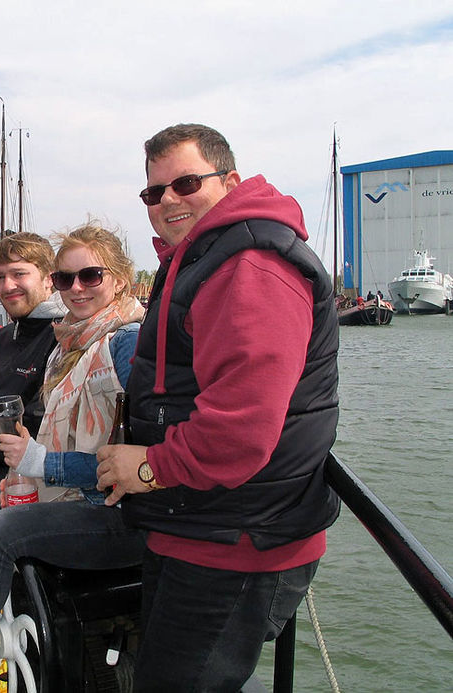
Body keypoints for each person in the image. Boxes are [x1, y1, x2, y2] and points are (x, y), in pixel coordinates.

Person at [95, 123, 340, 691]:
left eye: (184, 183)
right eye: (153, 193)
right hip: (199, 523)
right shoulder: (203, 258)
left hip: (237, 541)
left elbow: (242, 432)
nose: (167, 201)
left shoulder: (248, 266)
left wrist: (151, 466)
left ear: (229, 181)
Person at [0, 224, 146, 693]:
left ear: (118, 279)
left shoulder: (127, 343)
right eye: (65, 279)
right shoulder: (67, 344)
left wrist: (37, 460)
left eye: (90, 276)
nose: (76, 289)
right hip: (53, 491)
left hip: (112, 510)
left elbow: (134, 459)